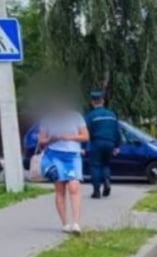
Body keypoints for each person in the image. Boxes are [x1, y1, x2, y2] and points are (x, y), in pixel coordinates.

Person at [37, 96, 89, 235]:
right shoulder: (47, 119)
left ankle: (76, 223)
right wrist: (51, 139)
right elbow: (41, 140)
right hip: (54, 155)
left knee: (74, 186)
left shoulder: (76, 117)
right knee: (60, 189)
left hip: (72, 156)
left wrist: (69, 137)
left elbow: (85, 136)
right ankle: (65, 223)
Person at [84, 90, 120, 199]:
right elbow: (117, 131)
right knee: (106, 164)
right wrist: (117, 146)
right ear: (103, 101)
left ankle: (96, 191)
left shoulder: (90, 116)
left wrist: (84, 147)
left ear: (92, 102)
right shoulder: (112, 115)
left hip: (97, 142)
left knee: (95, 166)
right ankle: (107, 181)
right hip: (110, 143)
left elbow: (86, 131)